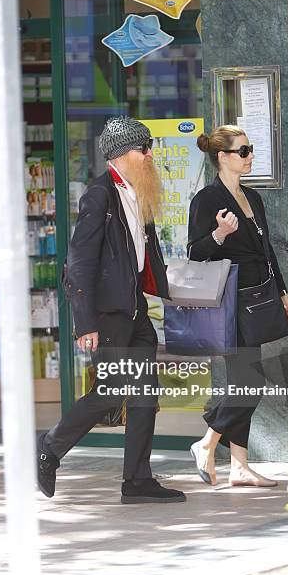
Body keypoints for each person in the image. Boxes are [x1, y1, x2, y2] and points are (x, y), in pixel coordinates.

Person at [37, 116, 186, 505]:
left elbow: (140, 256)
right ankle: (49, 448)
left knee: (145, 396)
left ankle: (137, 480)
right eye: (143, 148)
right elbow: (79, 261)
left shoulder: (139, 192)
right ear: (121, 154)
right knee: (111, 391)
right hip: (107, 313)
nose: (149, 154)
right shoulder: (99, 195)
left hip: (135, 309)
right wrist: (85, 321)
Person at [188, 125, 288, 487]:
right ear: (223, 157)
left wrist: (283, 294)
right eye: (243, 151)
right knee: (248, 383)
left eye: (250, 149)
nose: (250, 156)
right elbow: (194, 252)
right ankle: (206, 442)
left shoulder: (254, 197)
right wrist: (220, 234)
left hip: (258, 299)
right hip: (230, 301)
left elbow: (268, 254)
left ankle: (239, 466)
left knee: (244, 381)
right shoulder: (207, 199)